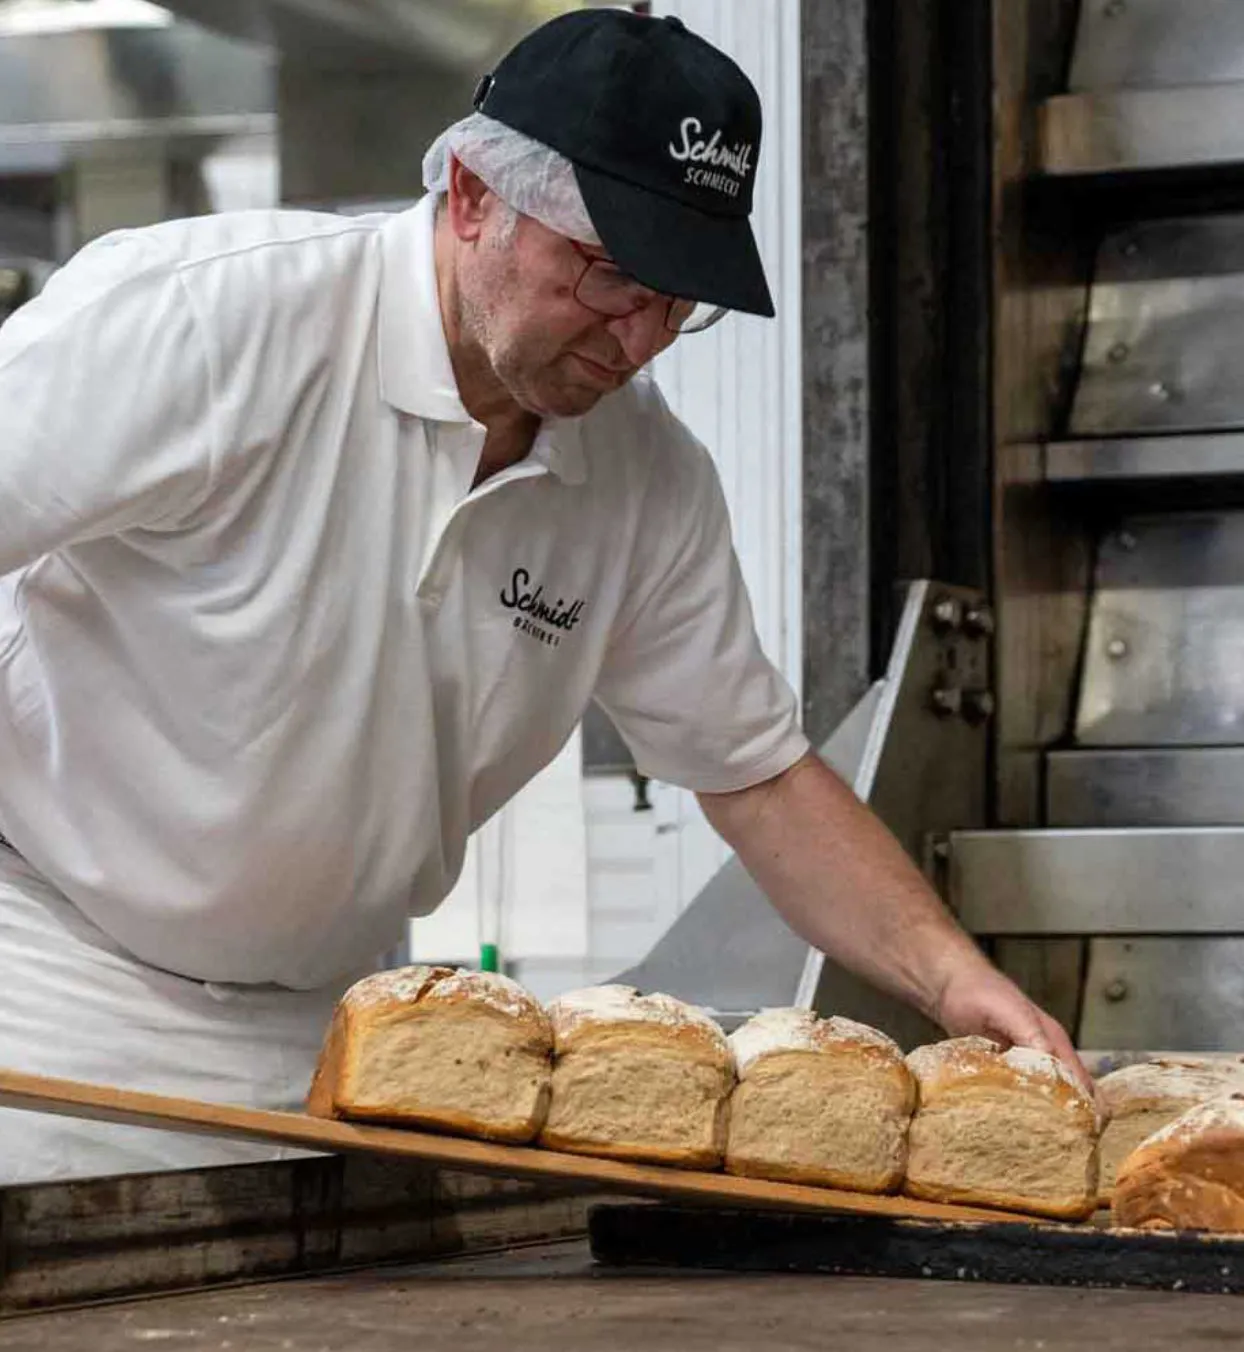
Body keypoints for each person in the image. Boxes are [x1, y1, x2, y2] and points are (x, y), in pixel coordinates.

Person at [0, 9, 1086, 1184]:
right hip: (49, 998)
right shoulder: (208, 320)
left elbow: (756, 774)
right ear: (472, 195)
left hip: (330, 1034)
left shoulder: (643, 479)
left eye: (678, 298)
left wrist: (947, 973)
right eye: (612, 273)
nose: (640, 339)